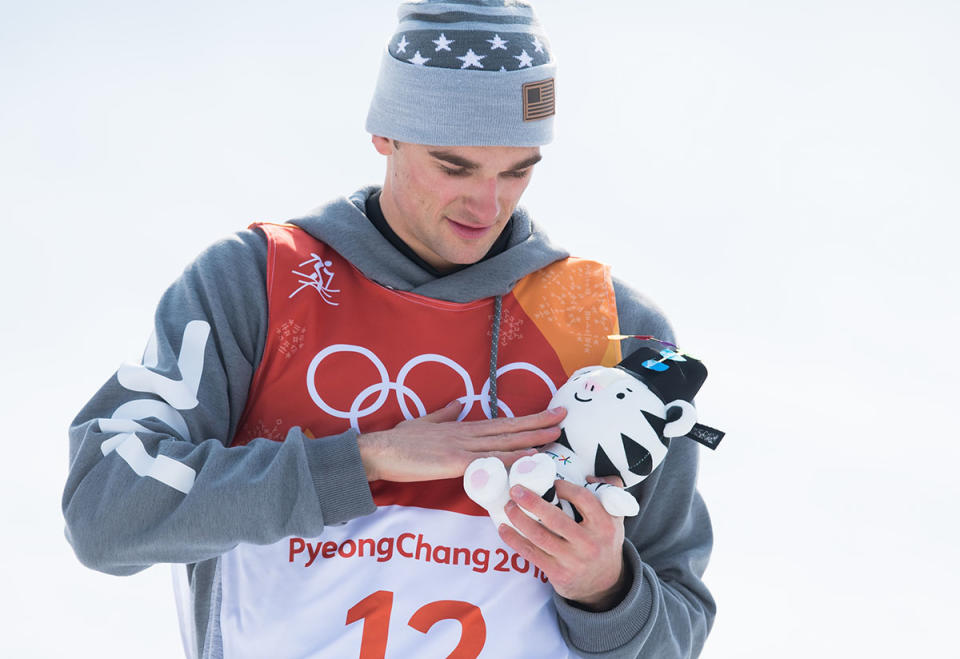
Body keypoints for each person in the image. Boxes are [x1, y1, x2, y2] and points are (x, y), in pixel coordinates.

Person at [63, 2, 716, 657]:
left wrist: (607, 588)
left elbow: (677, 627)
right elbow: (105, 511)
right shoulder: (258, 284)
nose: (488, 204)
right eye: (454, 166)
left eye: (518, 169)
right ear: (385, 133)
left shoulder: (612, 329)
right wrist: (362, 459)